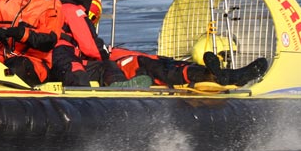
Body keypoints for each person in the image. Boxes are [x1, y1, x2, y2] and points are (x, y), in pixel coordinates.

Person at [51, 0, 152, 87]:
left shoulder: (56, 9)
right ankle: (118, 86)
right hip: (64, 59)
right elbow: (91, 47)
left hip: (52, 59)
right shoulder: (74, 11)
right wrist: (104, 53)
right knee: (104, 66)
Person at [110, 46, 269, 87]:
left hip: (147, 60)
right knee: (157, 68)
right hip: (127, 66)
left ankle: (230, 75)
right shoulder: (94, 53)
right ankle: (209, 75)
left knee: (174, 64)